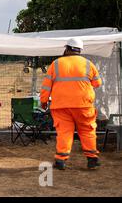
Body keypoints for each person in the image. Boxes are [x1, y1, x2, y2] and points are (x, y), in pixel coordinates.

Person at [40, 37, 102, 170]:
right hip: (83, 105)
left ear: (67, 49)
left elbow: (46, 86)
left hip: (61, 106)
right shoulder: (88, 64)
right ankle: (92, 158)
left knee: (64, 132)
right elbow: (97, 83)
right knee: (87, 130)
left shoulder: (56, 64)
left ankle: (61, 160)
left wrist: (44, 101)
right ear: (80, 50)